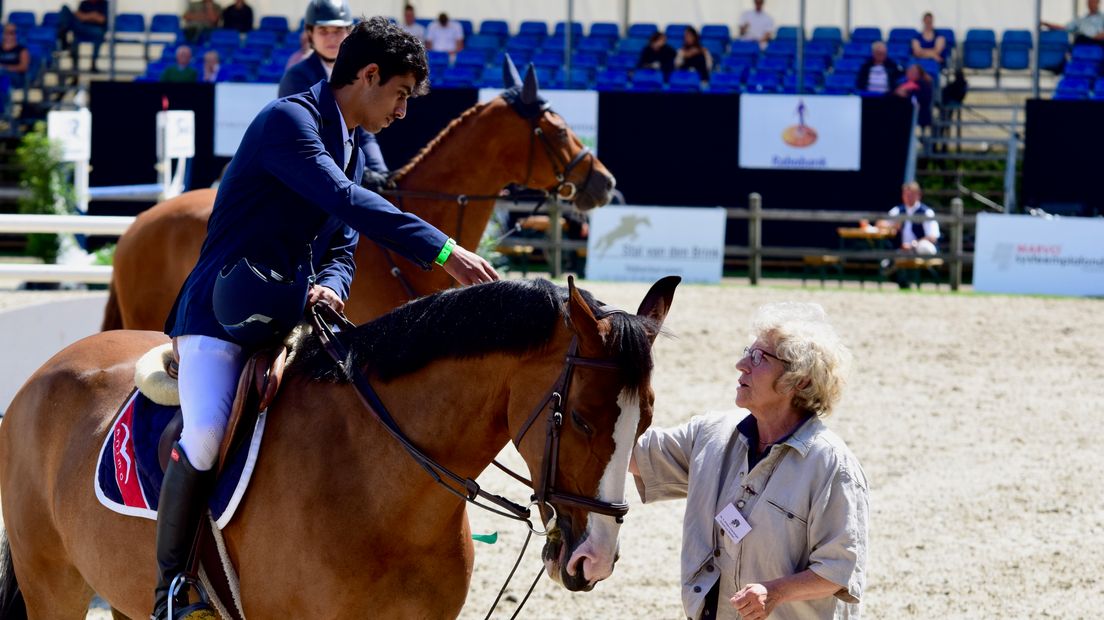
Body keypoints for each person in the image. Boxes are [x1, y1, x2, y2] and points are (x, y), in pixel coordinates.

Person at [149, 16, 499, 619]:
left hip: (289, 315)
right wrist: (444, 249)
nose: (402, 111)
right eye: (400, 94)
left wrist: (332, 288)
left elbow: (340, 245)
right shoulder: (289, 121)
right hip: (223, 313)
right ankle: (172, 589)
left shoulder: (345, 145)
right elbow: (344, 203)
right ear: (368, 75)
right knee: (205, 434)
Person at [630, 302, 868, 620]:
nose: (741, 364)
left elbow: (839, 570)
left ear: (800, 381)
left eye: (759, 358)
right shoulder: (710, 434)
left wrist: (777, 591)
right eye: (747, 352)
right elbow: (630, 455)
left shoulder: (832, 467)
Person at [281, 0, 387, 180]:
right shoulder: (297, 77)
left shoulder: (358, 75)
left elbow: (365, 135)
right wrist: (366, 175)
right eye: (323, 31)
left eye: (338, 31)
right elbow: (308, 140)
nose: (331, 38)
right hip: (307, 176)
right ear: (310, 33)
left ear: (348, 32)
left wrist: (382, 173)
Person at [56, 0, 107, 73]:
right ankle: (75, 70)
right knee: (65, 9)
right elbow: (79, 16)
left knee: (98, 36)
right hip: (81, 29)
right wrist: (93, 15)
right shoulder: (84, 3)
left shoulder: (104, 4)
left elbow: (102, 20)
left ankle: (63, 36)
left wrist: (85, 16)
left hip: (95, 30)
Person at [894, 63, 933, 128]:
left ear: (919, 74)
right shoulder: (902, 84)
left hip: (919, 115)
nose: (910, 73)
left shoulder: (924, 85)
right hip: (903, 114)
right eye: (909, 71)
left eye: (913, 72)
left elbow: (923, 100)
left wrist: (906, 95)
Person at [0, 23, 31, 90]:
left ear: (16, 34)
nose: (8, 35)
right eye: (6, 32)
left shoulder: (21, 50)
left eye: (11, 33)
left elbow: (23, 67)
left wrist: (5, 68)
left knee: (3, 76)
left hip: (15, 77)